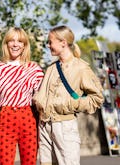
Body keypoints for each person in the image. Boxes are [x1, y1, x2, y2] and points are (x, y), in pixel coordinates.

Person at [33, 25, 104, 165]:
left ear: (63, 43)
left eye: (50, 41)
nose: (48, 45)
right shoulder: (51, 68)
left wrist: (72, 104)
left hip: (64, 127)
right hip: (44, 126)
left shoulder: (81, 68)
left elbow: (97, 98)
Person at [0, 27, 44, 165]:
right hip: (6, 120)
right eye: (12, 40)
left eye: (20, 41)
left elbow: (41, 102)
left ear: (24, 45)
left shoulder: (34, 69)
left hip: (29, 120)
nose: (15, 44)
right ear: (6, 43)